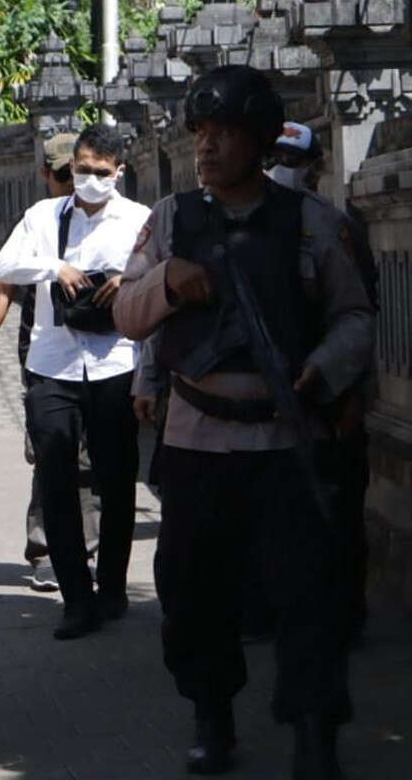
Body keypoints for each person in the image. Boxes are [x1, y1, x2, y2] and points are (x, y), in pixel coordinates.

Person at [113, 65, 375, 778]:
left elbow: (355, 316)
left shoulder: (313, 224)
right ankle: (212, 715)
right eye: (200, 133)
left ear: (260, 142)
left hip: (288, 440)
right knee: (194, 592)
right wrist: (166, 283)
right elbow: (125, 313)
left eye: (223, 132)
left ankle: (315, 730)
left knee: (308, 596)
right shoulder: (168, 221)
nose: (208, 146)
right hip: (196, 441)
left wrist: (324, 367)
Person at [0, 124, 149, 638]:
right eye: (82, 170)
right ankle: (75, 599)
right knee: (56, 479)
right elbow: (4, 265)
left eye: (101, 173)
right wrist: (54, 268)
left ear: (119, 172)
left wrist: (127, 280)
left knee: (116, 478)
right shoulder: (43, 217)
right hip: (53, 363)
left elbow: (162, 273)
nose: (90, 181)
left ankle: (112, 587)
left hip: (116, 360)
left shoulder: (139, 221)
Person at [0, 133, 101, 592]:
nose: (72, 183)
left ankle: (89, 553)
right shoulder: (37, 223)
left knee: (94, 459)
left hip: (102, 361)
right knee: (51, 454)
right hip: (46, 361)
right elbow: (2, 287)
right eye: (64, 175)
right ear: (46, 175)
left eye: (79, 174)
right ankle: (45, 549)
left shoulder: (107, 217)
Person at [267, 121, 380, 642]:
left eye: (295, 161)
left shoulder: (336, 227)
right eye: (277, 158)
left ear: (315, 167)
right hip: (270, 401)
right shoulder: (233, 223)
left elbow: (362, 316)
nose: (285, 170)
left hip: (331, 394)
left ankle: (345, 615)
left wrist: (354, 393)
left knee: (339, 510)